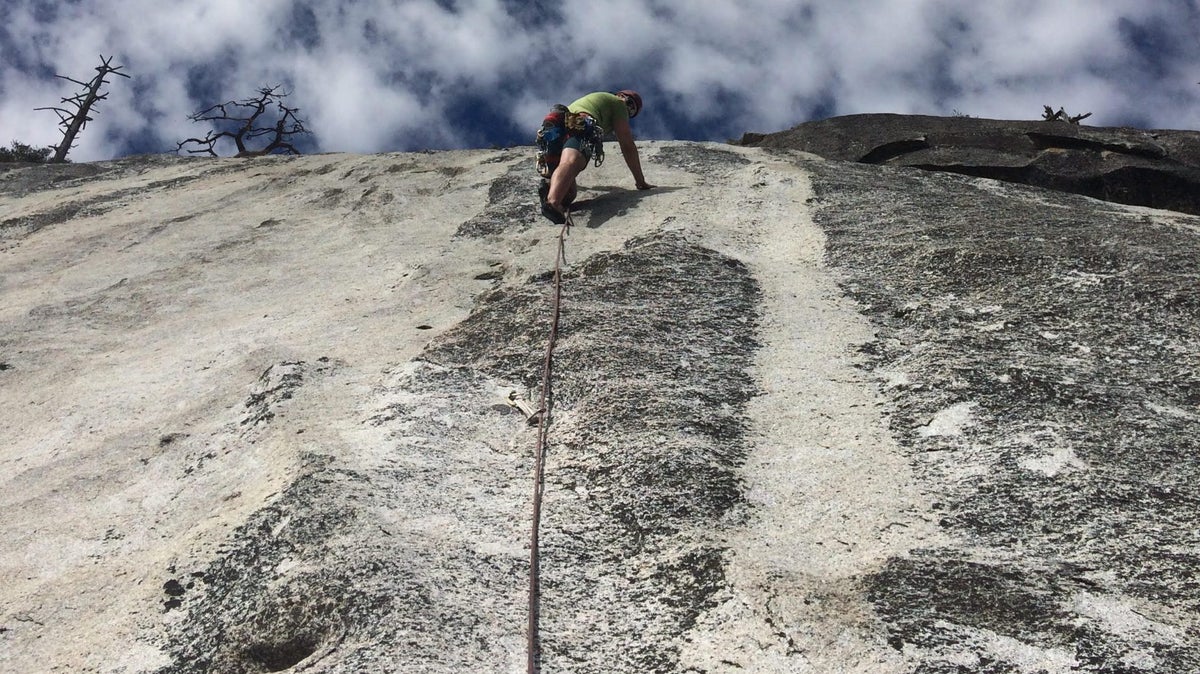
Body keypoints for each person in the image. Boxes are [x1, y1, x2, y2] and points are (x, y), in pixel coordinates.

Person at [539, 90, 654, 224]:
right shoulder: (618, 104)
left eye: (631, 111)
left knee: (570, 195)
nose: (628, 110)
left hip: (556, 129)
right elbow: (627, 144)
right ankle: (553, 202)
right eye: (630, 105)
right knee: (572, 161)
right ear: (621, 96)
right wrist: (640, 181)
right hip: (580, 125)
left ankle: (550, 188)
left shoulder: (594, 101)